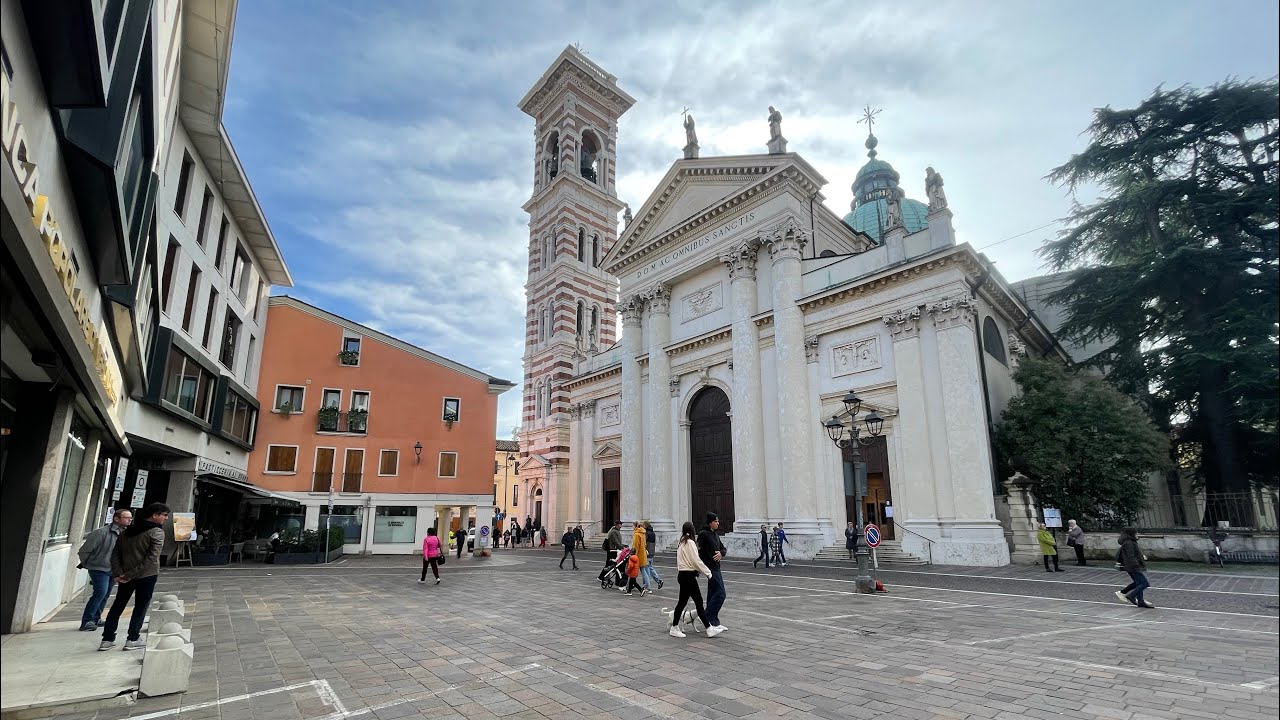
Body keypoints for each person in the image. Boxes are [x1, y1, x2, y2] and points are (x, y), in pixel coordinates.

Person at [99, 503, 169, 651]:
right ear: (155, 515)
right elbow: (152, 558)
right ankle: (133, 638)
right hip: (146, 575)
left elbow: (115, 553)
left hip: (125, 575)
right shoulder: (156, 532)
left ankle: (107, 638)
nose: (166, 518)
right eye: (164, 515)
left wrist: (120, 573)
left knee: (118, 604)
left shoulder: (127, 531)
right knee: (140, 606)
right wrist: (128, 574)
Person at [77, 509, 132, 631]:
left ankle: (96, 618)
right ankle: (87, 620)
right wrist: (88, 563)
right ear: (116, 519)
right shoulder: (101, 533)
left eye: (130, 518)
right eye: (126, 517)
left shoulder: (126, 534)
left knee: (106, 594)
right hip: (99, 568)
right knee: (100, 593)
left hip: (114, 569)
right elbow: (84, 551)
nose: (129, 520)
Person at [670, 521, 718, 638]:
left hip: (682, 574)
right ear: (692, 531)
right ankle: (708, 628)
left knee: (682, 602)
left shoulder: (681, 543)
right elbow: (695, 561)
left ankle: (674, 626)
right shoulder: (690, 543)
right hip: (688, 576)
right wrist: (708, 572)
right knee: (699, 602)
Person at [697, 513, 728, 635]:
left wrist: (721, 553)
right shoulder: (703, 534)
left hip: (716, 567)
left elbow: (723, 548)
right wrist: (699, 567)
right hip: (710, 568)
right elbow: (698, 551)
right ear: (710, 522)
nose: (718, 523)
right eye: (716, 521)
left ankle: (713, 622)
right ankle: (706, 616)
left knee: (712, 594)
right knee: (721, 594)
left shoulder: (715, 534)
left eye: (718, 521)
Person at [1115, 528, 1154, 608]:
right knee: (1145, 583)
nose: (1137, 535)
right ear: (1131, 534)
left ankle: (1140, 601)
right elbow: (1131, 556)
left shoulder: (1130, 542)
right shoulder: (1128, 543)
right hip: (1133, 567)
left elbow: (1134, 554)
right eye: (1136, 533)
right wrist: (1136, 565)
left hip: (1132, 566)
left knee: (1138, 583)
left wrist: (1141, 557)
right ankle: (1131, 595)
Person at [642, 522, 663, 589]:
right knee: (650, 567)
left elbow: (644, 543)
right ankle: (658, 580)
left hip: (647, 553)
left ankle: (647, 585)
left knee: (646, 569)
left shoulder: (646, 533)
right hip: (651, 552)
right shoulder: (653, 533)